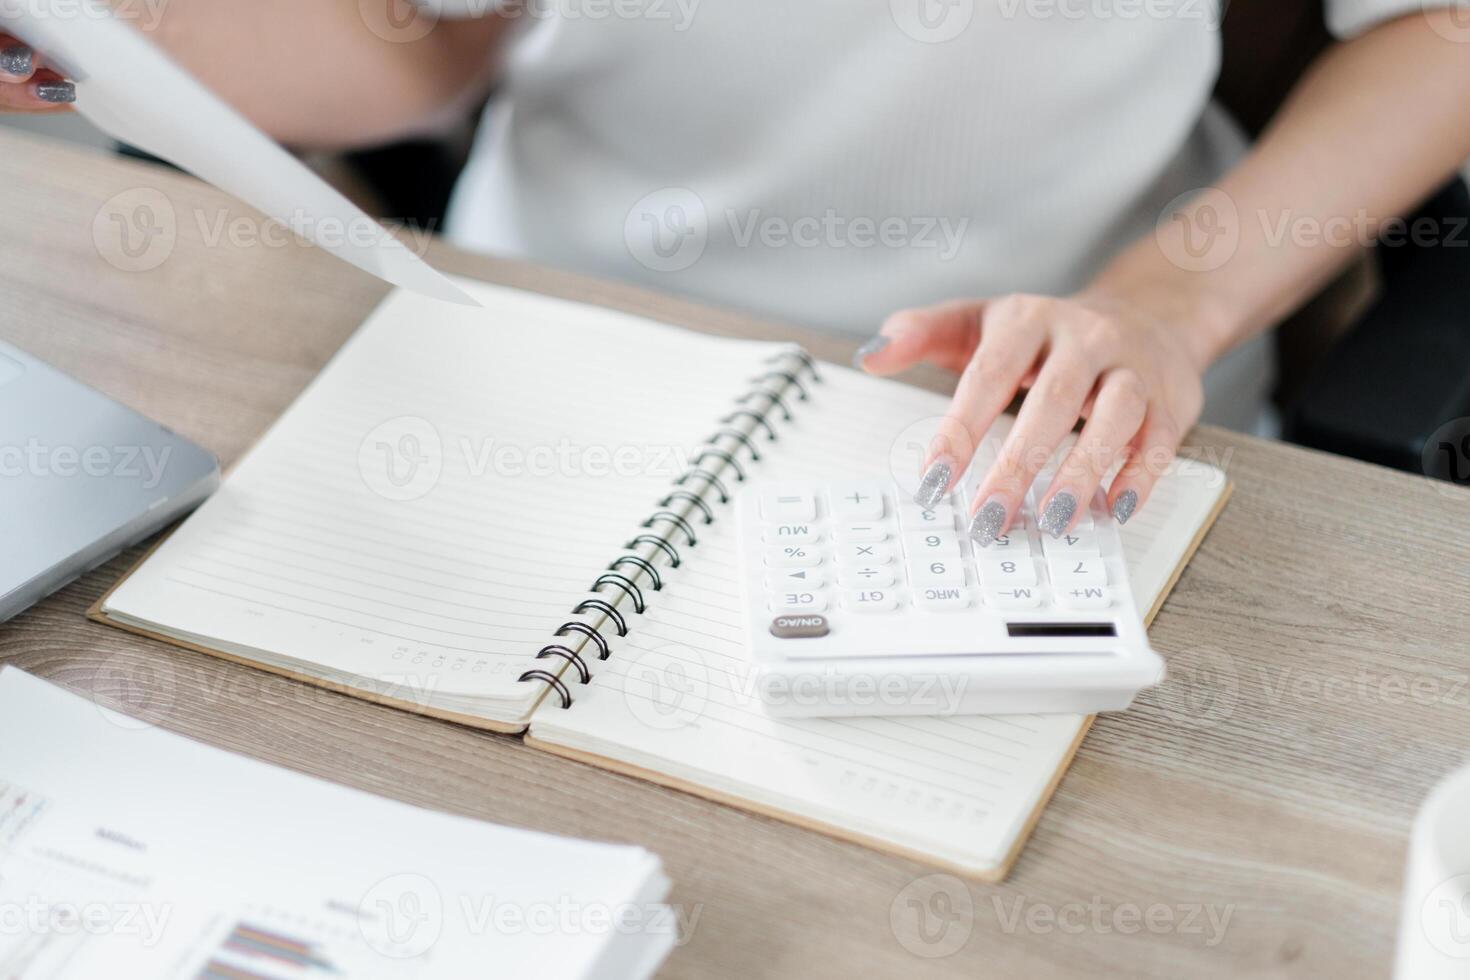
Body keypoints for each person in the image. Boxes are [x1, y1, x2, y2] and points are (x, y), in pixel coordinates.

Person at [3, 1, 1468, 543]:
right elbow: (433, 45)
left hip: (1046, 417)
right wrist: (117, 44)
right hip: (543, 365)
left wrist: (1166, 304)